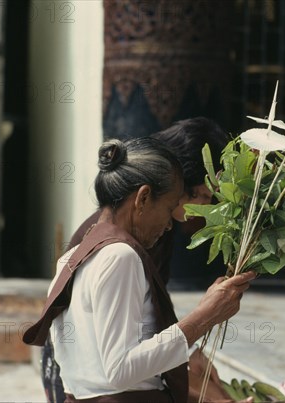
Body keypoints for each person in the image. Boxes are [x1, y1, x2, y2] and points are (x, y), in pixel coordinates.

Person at [41, 118, 246, 402]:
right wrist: (204, 318)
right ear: (144, 197)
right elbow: (120, 372)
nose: (200, 208)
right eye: (175, 203)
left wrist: (185, 360)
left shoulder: (77, 254)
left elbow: (113, 366)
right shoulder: (120, 255)